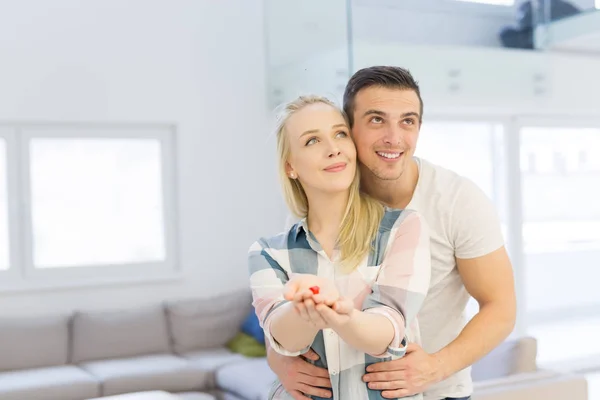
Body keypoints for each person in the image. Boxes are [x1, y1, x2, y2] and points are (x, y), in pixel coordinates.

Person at [266, 66, 517, 400]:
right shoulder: (319, 206)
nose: (394, 138)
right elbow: (283, 307)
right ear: (349, 129)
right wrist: (280, 362)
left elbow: (501, 308)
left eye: (407, 121)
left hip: (437, 390)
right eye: (376, 120)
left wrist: (435, 368)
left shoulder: (458, 200)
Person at [248, 95, 432, 399]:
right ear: (291, 167)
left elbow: (387, 331)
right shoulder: (267, 252)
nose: (332, 148)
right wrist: (305, 307)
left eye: (340, 134)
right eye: (312, 141)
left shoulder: (403, 228)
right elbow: (284, 339)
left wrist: (337, 311)